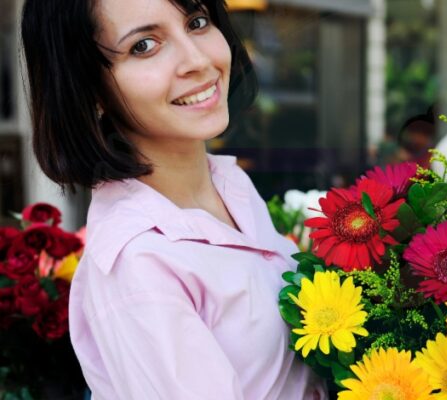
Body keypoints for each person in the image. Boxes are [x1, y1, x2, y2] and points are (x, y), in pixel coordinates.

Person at [21, 0, 325, 398]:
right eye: (144, 45)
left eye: (197, 22)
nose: (197, 59)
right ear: (90, 90)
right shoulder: (139, 263)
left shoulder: (229, 185)